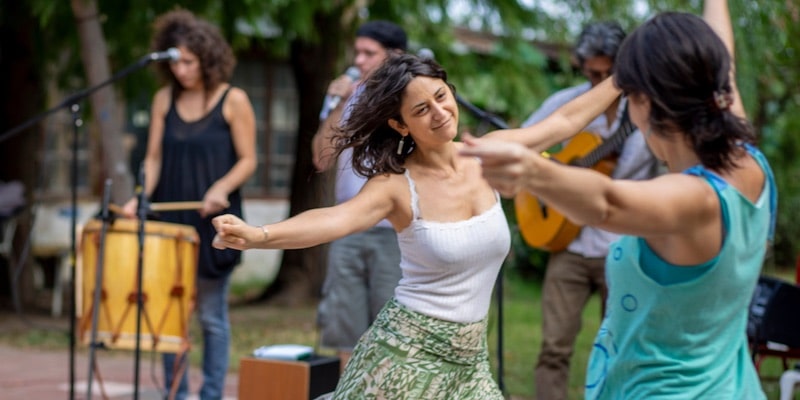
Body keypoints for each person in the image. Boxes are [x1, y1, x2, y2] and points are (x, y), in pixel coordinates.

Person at [462, 0, 773, 398]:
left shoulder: (699, 200)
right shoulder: (747, 160)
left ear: (641, 101)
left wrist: (533, 170)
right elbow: (721, 57)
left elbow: (607, 202)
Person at [213, 53, 510, 399]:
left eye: (441, 96)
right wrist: (258, 235)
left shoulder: (486, 155)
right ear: (400, 125)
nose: (440, 112)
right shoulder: (395, 185)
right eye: (421, 110)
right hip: (404, 357)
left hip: (469, 364)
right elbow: (334, 219)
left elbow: (563, 121)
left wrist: (593, 88)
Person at [518, 21, 659, 400]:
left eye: (607, 73)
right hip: (570, 244)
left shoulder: (647, 109)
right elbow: (523, 147)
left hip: (626, 245)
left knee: (623, 349)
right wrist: (553, 178)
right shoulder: (567, 103)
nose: (598, 82)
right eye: (591, 72)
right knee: (554, 347)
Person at [121, 9, 257, 400]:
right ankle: (176, 394)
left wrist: (221, 187)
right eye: (175, 61)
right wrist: (139, 195)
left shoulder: (234, 99)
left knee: (211, 318)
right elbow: (153, 158)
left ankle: (211, 394)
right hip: (172, 220)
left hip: (216, 222)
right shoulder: (165, 98)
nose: (181, 70)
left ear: (207, 58)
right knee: (170, 316)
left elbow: (249, 159)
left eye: (189, 62)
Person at [310, 20, 406, 372]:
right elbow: (321, 159)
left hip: (395, 229)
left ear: (395, 55)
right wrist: (338, 103)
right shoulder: (348, 95)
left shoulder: (408, 96)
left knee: (392, 330)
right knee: (344, 329)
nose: (359, 60)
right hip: (347, 228)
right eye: (357, 52)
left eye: (369, 53)